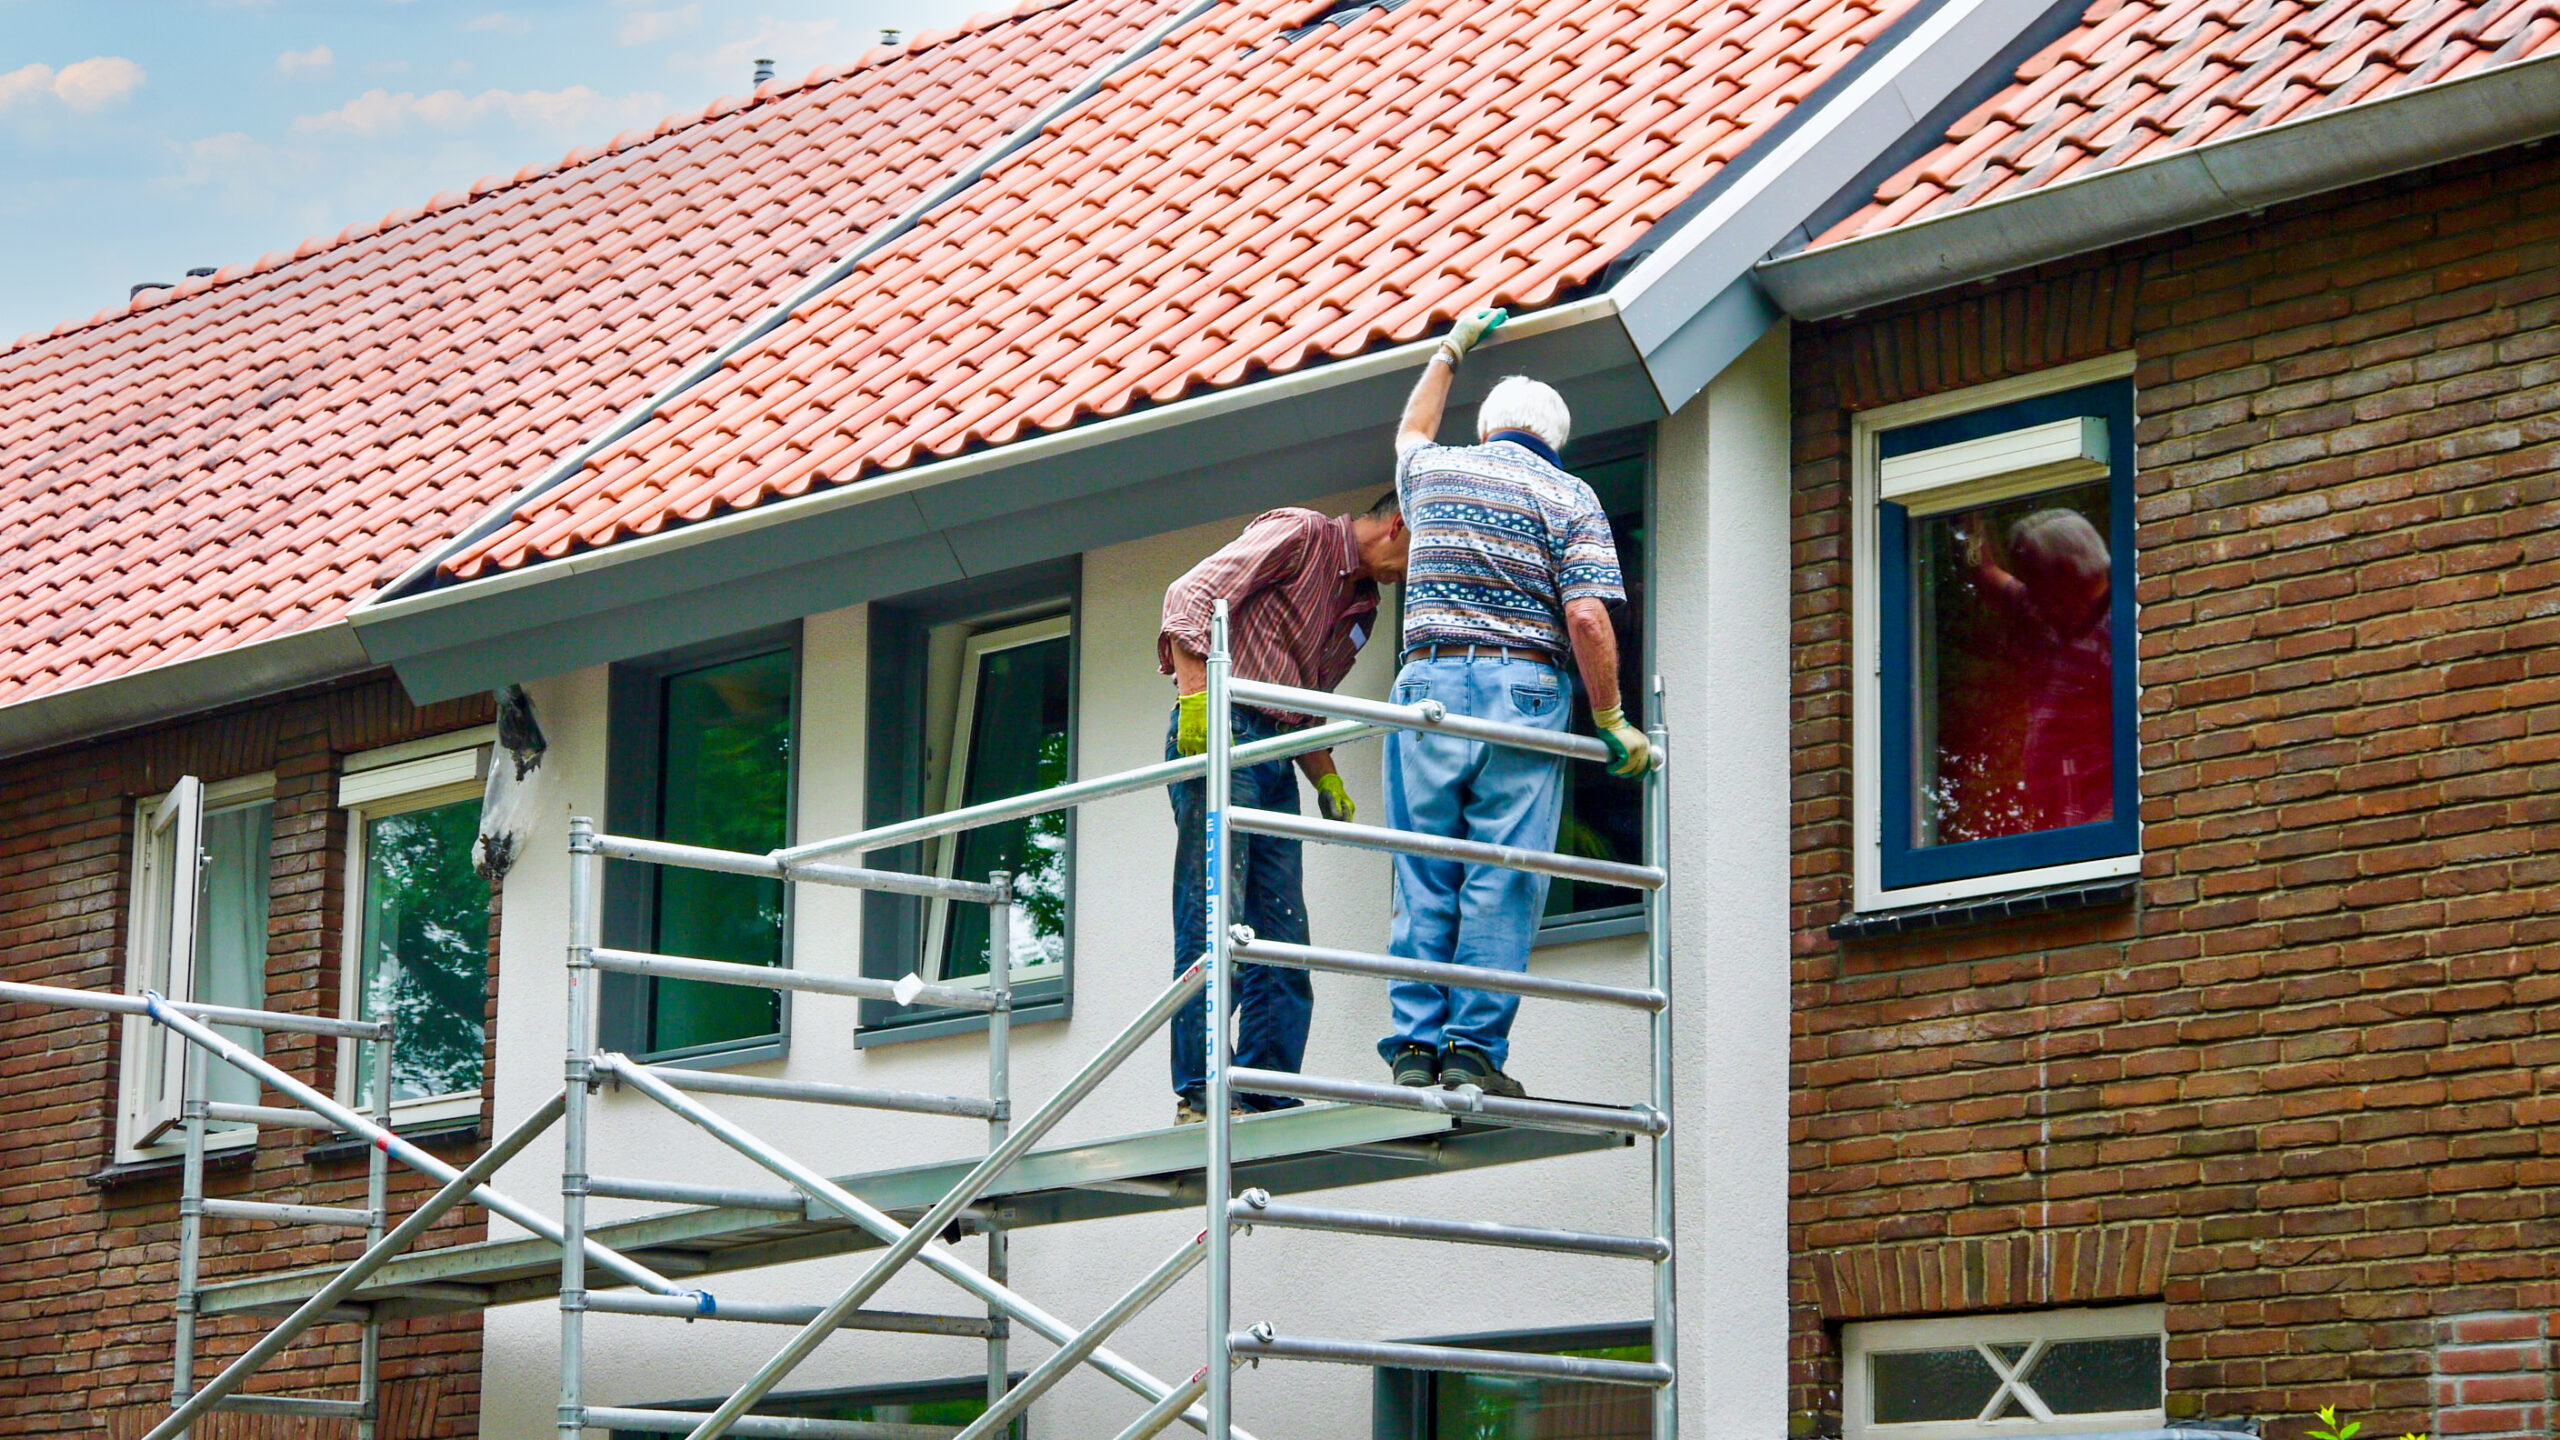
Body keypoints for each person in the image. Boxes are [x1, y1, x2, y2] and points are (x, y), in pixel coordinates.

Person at [1376, 306, 1651, 1099]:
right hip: (1519, 690)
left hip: (1426, 685)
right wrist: (1610, 719)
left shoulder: (1434, 473)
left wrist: (1451, 349)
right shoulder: (1569, 496)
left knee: (1426, 868)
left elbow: (1411, 429)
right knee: (1503, 871)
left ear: (1491, 427)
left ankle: (1413, 1051)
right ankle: (1471, 1051)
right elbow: (1588, 615)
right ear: (1552, 439)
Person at [1160, 494, 1411, 1125]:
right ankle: (1202, 1092)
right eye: (1414, 557)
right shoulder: (1300, 535)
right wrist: (1198, 703)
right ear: (1399, 524)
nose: (1409, 575)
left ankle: (1264, 1090)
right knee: (1217, 910)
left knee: (1282, 934)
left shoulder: (1362, 606)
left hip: (1275, 749)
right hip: (1225, 729)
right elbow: (1187, 595)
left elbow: (1304, 701)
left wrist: (1326, 778)